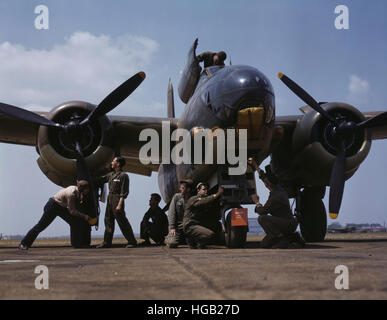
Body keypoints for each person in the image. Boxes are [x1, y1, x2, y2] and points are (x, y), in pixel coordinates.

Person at [19, 180, 92, 250]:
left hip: (61, 206)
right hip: (53, 206)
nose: (88, 190)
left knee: (74, 222)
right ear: (82, 189)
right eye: (87, 189)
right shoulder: (71, 193)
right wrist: (84, 216)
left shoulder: (77, 191)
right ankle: (23, 244)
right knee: (40, 226)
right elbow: (72, 211)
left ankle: (76, 245)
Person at [248, 158, 303, 249]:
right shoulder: (278, 188)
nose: (265, 182)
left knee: (262, 218)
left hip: (286, 224)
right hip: (289, 223)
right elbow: (264, 177)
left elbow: (262, 211)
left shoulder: (275, 198)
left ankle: (279, 238)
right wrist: (255, 165)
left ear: (268, 185)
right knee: (263, 245)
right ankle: (293, 237)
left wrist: (257, 202)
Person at [96, 156, 137, 248]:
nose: (111, 162)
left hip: (117, 199)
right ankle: (107, 242)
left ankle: (132, 241)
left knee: (122, 221)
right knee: (108, 220)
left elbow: (124, 192)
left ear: (118, 164)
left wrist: (119, 204)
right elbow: (100, 180)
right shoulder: (111, 175)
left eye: (113, 161)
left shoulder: (123, 176)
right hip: (110, 198)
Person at [183, 183, 224, 249]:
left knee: (217, 225)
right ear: (198, 191)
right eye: (204, 189)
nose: (206, 191)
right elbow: (204, 201)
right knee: (209, 234)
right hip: (190, 225)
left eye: (207, 189)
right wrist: (217, 194)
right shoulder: (194, 199)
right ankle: (196, 242)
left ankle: (195, 240)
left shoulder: (204, 200)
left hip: (197, 224)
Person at [166, 179, 193, 248]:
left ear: (188, 189)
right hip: (178, 226)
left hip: (189, 226)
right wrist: (172, 227)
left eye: (182, 188)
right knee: (172, 243)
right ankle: (170, 238)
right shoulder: (177, 197)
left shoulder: (193, 199)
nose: (180, 189)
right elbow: (172, 213)